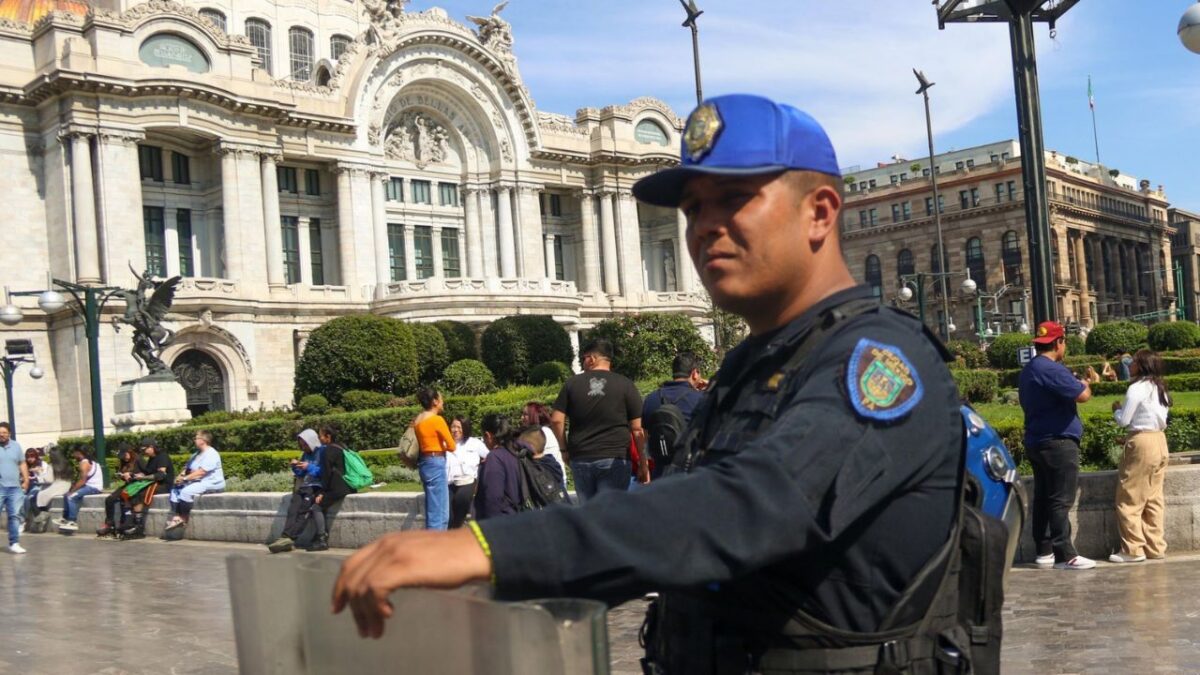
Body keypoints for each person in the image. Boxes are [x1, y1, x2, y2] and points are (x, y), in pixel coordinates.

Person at [333, 94, 974, 673]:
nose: (703, 228)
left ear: (820, 212)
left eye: (734, 200)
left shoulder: (882, 362)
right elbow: (677, 532)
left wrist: (492, 548)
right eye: (694, 207)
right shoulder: (756, 367)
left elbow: (746, 507)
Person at [1019, 321, 1095, 570]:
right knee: (1061, 498)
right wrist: (1084, 384)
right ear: (1059, 342)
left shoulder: (1030, 368)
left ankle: (1044, 551)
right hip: (1059, 441)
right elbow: (1082, 396)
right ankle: (1066, 554)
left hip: (1037, 440)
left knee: (1043, 496)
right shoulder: (1052, 369)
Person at [549, 338, 644, 500]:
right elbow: (637, 429)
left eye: (584, 358)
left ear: (592, 359)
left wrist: (564, 450)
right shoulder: (626, 384)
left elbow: (556, 420)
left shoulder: (572, 384)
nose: (583, 362)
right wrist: (643, 462)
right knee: (612, 513)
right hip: (616, 456)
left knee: (589, 512)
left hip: (581, 457)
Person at [1109, 349, 1172, 563]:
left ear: (1141, 365)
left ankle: (1132, 549)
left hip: (1142, 442)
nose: (1130, 364)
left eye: (1134, 361)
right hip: (1159, 441)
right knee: (1154, 498)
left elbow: (1124, 420)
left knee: (1129, 497)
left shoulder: (1136, 388)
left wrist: (1116, 409)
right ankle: (1155, 547)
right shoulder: (1160, 387)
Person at [639, 351, 707, 481]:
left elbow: (645, 436)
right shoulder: (701, 399)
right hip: (693, 473)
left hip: (660, 474)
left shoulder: (651, 398)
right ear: (695, 373)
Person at [268, 429, 325, 553]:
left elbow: (324, 472)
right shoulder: (305, 454)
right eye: (301, 445)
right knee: (293, 509)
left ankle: (290, 538)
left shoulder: (322, 452)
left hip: (316, 487)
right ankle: (285, 537)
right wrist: (296, 466)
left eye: (305, 444)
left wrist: (308, 466)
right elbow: (301, 473)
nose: (304, 447)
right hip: (304, 486)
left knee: (303, 510)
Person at [412, 387, 455, 530]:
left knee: (434, 506)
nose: (443, 402)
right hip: (436, 462)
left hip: (424, 462)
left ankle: (438, 544)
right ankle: (435, 546)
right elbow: (452, 445)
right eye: (441, 399)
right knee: (440, 511)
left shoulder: (418, 419)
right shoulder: (437, 420)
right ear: (435, 401)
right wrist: (442, 446)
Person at [165, 430, 225, 531]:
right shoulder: (196, 454)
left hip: (211, 483)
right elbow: (186, 469)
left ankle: (183, 518)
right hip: (196, 482)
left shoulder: (211, 454)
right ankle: (176, 517)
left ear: (203, 440)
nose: (194, 440)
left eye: (196, 438)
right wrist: (180, 477)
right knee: (175, 490)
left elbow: (202, 472)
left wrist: (185, 479)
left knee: (186, 492)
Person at [117, 438, 175, 539]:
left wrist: (143, 477)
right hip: (153, 483)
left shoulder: (162, 457)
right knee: (129, 492)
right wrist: (133, 475)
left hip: (163, 485)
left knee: (139, 494)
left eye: (144, 450)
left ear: (151, 447)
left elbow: (161, 475)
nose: (143, 452)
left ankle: (139, 528)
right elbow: (148, 472)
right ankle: (131, 523)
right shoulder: (152, 459)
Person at [311, 423, 356, 551]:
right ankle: (319, 534)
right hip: (349, 485)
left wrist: (322, 493)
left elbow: (326, 474)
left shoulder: (327, 451)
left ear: (328, 437)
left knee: (316, 507)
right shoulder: (342, 446)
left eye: (321, 436)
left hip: (338, 488)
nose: (319, 439)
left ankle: (321, 539)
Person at [473, 414, 521, 521]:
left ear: (488, 435)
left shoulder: (494, 458)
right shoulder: (516, 452)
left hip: (501, 523)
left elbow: (493, 498)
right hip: (518, 517)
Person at [446, 416, 485, 529]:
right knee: (447, 511)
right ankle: (453, 529)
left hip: (468, 480)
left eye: (459, 427)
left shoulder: (474, 443)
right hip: (449, 482)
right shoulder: (445, 444)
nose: (456, 430)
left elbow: (489, 456)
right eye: (453, 426)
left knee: (461, 498)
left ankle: (457, 526)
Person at [57, 447, 103, 533]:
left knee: (71, 496)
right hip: (90, 486)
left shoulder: (84, 463)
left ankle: (72, 521)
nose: (73, 456)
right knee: (66, 494)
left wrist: (72, 490)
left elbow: (82, 481)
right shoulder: (92, 461)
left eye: (74, 453)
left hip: (94, 488)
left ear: (79, 453)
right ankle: (65, 518)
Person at [96, 445, 139, 537]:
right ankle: (109, 524)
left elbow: (145, 474)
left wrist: (131, 474)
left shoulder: (138, 460)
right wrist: (122, 476)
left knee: (124, 498)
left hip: (137, 485)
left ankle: (126, 523)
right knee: (109, 499)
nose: (124, 458)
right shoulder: (124, 462)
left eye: (125, 455)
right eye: (122, 457)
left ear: (129, 452)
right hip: (129, 484)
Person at [520, 402, 566, 487]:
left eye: (525, 414)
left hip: (552, 482)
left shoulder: (543, 432)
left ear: (534, 415)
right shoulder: (542, 431)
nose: (521, 418)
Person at [0, 422, 28, 553]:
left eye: (4, 432)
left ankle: (14, 543)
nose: (2, 435)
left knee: (15, 516)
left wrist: (26, 480)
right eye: (0, 433)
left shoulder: (16, 446)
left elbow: (22, 463)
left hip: (15, 488)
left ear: (9, 433)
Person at [22, 448, 52, 528]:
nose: (30, 459)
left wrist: (39, 472)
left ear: (36, 456)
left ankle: (34, 518)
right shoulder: (25, 466)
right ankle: (23, 519)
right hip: (28, 486)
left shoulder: (43, 464)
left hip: (40, 486)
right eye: (28, 457)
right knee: (21, 498)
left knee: (30, 497)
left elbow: (48, 479)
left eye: (32, 456)